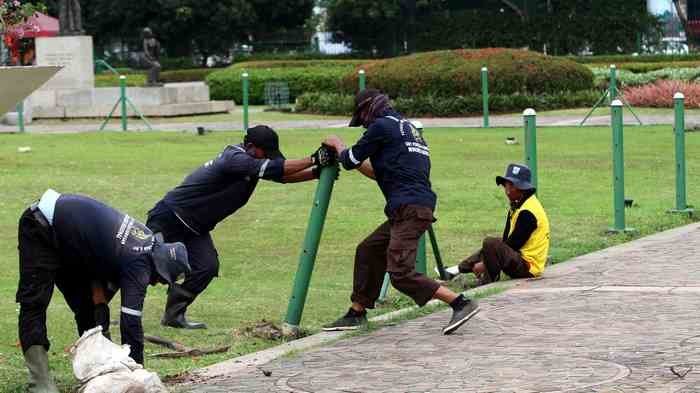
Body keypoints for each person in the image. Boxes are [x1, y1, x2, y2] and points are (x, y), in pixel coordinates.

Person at [321, 88, 479, 335]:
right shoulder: (406, 129)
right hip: (411, 206)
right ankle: (357, 312)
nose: (363, 124)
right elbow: (380, 172)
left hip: (409, 209)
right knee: (369, 250)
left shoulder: (380, 127)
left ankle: (460, 303)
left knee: (400, 273)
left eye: (362, 118)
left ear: (368, 110)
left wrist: (336, 143)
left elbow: (349, 159)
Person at [147, 125, 335, 329]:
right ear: (251, 147)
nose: (269, 158)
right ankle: (112, 303)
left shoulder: (250, 161)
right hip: (170, 217)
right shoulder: (235, 159)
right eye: (266, 153)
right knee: (146, 266)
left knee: (206, 267)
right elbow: (276, 169)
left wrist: (316, 172)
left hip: (196, 226)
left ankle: (173, 316)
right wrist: (314, 159)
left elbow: (281, 175)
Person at [17, 189, 191, 393]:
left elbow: (98, 285)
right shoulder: (139, 263)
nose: (156, 284)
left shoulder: (144, 242)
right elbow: (131, 323)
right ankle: (40, 382)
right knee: (34, 301)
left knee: (89, 308)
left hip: (73, 241)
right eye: (162, 279)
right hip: (41, 225)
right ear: (159, 266)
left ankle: (100, 366)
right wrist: (137, 373)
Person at [451, 163, 550, 286]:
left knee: (491, 243)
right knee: (493, 245)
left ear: (522, 188)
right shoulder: (519, 205)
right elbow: (505, 241)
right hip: (520, 259)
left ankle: (487, 280)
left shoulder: (528, 212)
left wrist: (485, 264)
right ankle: (458, 269)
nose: (507, 191)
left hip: (528, 267)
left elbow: (513, 245)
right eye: (505, 186)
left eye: (512, 186)